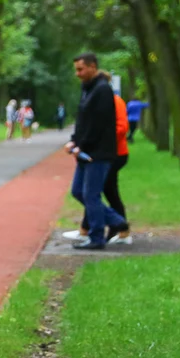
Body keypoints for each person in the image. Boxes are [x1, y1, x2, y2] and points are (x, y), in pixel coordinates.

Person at [65, 53, 128, 250]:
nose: (78, 73)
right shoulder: (87, 89)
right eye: (76, 69)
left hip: (98, 153)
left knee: (91, 195)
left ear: (93, 67)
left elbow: (98, 125)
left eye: (81, 69)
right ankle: (117, 221)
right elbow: (83, 121)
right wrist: (74, 141)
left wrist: (81, 145)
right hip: (85, 151)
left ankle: (97, 237)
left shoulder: (102, 91)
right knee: (78, 191)